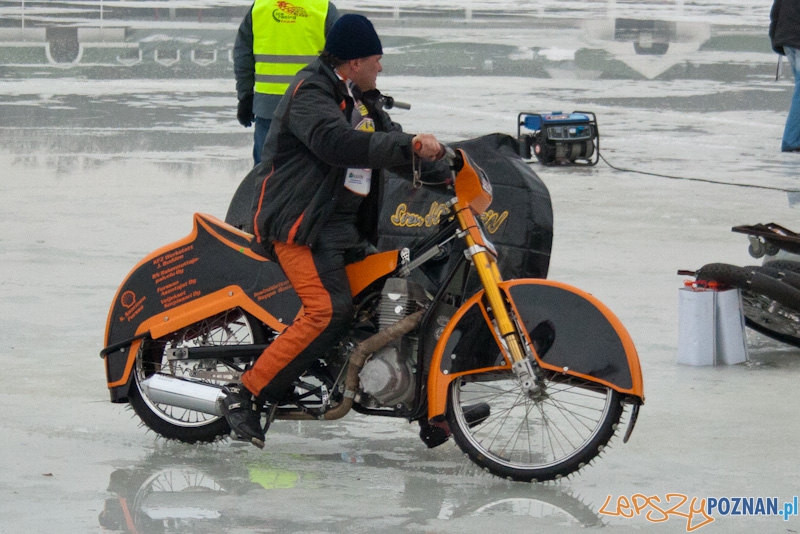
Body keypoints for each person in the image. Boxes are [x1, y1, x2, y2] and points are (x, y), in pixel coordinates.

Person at [221, 14, 445, 448]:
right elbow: (336, 144)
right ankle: (245, 393)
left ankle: (425, 406)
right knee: (328, 311)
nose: (381, 68)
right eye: (376, 60)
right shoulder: (311, 91)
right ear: (355, 61)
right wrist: (408, 144)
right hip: (300, 225)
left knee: (391, 300)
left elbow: (392, 147)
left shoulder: (360, 100)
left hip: (340, 227)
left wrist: (446, 165)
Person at [234, 0, 339, 165]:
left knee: (266, 173)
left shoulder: (260, 7)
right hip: (312, 106)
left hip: (268, 106)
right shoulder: (323, 8)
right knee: (312, 172)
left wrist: (245, 96)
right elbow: (341, 58)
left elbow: (243, 55)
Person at [770, 0, 800, 152]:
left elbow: (776, 11)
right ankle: (792, 140)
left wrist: (777, 38)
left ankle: (794, 139)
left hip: (788, 40)